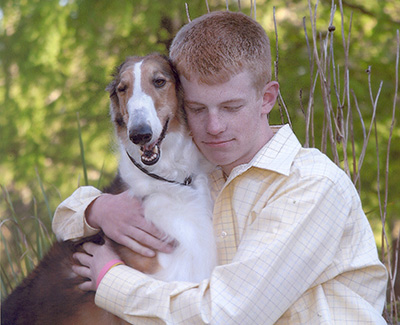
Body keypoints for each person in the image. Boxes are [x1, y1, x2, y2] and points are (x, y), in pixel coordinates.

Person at [52, 11, 388, 324]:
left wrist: (111, 279)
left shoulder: (311, 186)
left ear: (267, 99)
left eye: (231, 107)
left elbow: (229, 314)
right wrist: (97, 208)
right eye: (198, 109)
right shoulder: (203, 177)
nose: (214, 127)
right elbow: (70, 215)